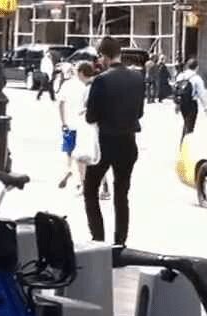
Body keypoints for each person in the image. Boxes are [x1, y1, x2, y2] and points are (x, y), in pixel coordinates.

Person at [83, 37, 144, 246]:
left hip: (105, 142)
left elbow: (91, 116)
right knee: (121, 194)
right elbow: (140, 112)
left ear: (104, 56)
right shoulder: (138, 78)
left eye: (99, 56)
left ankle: (98, 238)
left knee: (90, 189)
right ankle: (120, 242)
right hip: (128, 142)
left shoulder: (101, 80)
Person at [58, 61, 98, 191]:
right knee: (86, 155)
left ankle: (70, 171)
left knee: (71, 153)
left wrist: (63, 122)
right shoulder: (89, 85)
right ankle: (82, 181)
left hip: (71, 123)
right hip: (87, 125)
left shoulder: (68, 84)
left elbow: (61, 104)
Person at [175, 57, 207, 143]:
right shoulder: (197, 78)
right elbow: (202, 94)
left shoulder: (180, 76)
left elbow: (177, 90)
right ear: (197, 67)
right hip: (192, 103)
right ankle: (185, 145)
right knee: (189, 126)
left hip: (182, 103)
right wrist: (205, 107)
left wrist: (177, 104)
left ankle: (183, 143)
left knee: (186, 123)